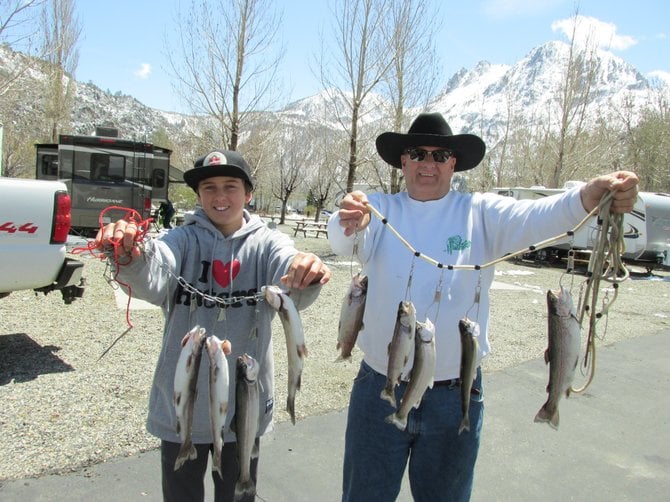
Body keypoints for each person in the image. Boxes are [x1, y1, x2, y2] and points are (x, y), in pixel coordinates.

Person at [327, 112, 639, 502]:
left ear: (453, 164)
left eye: (440, 155)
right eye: (417, 153)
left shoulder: (481, 212)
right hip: (379, 386)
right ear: (402, 161)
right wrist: (347, 220)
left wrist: (588, 196)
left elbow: (540, 217)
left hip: (455, 396)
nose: (428, 163)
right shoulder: (377, 208)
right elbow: (342, 238)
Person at [95, 149, 331, 502]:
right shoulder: (182, 239)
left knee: (237, 494)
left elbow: (288, 272)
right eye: (209, 188)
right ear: (199, 195)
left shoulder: (267, 243)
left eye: (230, 186)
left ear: (248, 193)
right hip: (182, 411)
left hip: (243, 410)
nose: (220, 197)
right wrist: (129, 255)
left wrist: (304, 271)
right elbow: (154, 272)